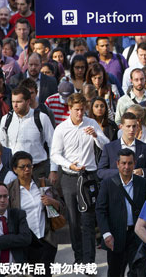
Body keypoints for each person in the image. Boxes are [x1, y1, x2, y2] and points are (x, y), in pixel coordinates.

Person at [50, 93, 109, 264]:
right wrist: (69, 165)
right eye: (76, 110)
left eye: (82, 110)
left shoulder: (91, 123)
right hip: (69, 177)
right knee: (74, 221)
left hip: (89, 177)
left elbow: (106, 145)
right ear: (69, 109)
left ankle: (89, 261)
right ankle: (79, 257)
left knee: (88, 221)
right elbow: (55, 154)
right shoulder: (61, 128)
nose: (80, 113)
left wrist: (96, 136)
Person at [96, 148, 146, 277]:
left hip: (137, 236)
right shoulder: (107, 184)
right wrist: (106, 234)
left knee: (138, 272)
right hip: (115, 237)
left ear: (135, 163)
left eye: (130, 163)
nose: (126, 167)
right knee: (115, 272)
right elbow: (100, 210)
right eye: (123, 163)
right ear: (117, 164)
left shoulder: (142, 184)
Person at [8, 151, 64, 276]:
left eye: (29, 166)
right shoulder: (10, 190)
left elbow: (61, 207)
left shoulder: (43, 184)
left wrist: (52, 201)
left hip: (46, 240)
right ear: (15, 169)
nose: (27, 169)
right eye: (22, 167)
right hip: (26, 243)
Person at [0, 86, 57, 181]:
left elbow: (53, 145)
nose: (15, 105)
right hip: (14, 171)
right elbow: (2, 146)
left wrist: (53, 170)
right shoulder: (6, 119)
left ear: (28, 101)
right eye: (13, 102)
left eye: (19, 102)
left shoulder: (42, 118)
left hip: (38, 170)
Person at [98, 112, 146, 180]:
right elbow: (100, 172)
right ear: (121, 127)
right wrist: (121, 172)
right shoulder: (109, 148)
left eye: (134, 126)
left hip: (137, 188)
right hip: (115, 188)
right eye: (128, 126)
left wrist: (142, 172)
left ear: (137, 127)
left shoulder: (145, 147)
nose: (131, 130)